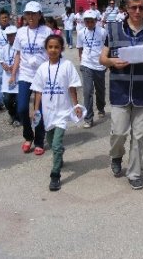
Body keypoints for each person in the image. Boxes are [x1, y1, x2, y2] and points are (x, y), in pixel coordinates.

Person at [99, 0, 143, 190]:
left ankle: (134, 172)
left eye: (141, 7)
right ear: (126, 8)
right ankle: (116, 155)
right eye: (133, 7)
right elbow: (102, 58)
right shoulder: (113, 30)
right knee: (118, 132)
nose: (137, 11)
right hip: (120, 89)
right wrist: (111, 62)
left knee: (140, 136)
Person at [31, 35, 82, 191]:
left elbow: (72, 87)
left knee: (56, 143)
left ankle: (55, 175)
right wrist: (35, 109)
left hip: (62, 111)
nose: (53, 50)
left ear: (61, 49)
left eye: (56, 47)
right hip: (48, 113)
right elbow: (38, 91)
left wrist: (76, 105)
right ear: (46, 49)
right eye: (50, 47)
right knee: (52, 140)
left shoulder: (67, 65)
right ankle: (59, 156)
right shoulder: (42, 68)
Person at [10, 1, 52, 155]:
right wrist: (13, 74)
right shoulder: (20, 32)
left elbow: (54, 52)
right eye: (28, 13)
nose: (31, 16)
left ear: (40, 15)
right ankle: (28, 136)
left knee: (39, 110)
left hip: (42, 76)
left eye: (34, 13)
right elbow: (18, 54)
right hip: (25, 75)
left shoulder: (47, 31)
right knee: (21, 109)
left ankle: (40, 141)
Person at [76, 9, 107, 128]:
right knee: (87, 91)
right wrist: (81, 61)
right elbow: (79, 48)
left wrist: (106, 63)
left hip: (99, 65)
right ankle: (88, 118)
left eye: (91, 21)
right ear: (84, 22)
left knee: (100, 91)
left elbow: (106, 47)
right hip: (86, 65)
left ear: (95, 21)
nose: (89, 24)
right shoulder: (80, 33)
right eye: (87, 21)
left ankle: (101, 107)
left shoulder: (103, 32)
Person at [0, 25, 20, 127]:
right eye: (8, 36)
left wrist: (15, 66)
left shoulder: (20, 48)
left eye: (12, 35)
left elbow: (22, 59)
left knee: (18, 99)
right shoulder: (4, 47)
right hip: (7, 78)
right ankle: (12, 114)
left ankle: (18, 118)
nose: (10, 38)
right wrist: (3, 64)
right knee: (6, 99)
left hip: (19, 77)